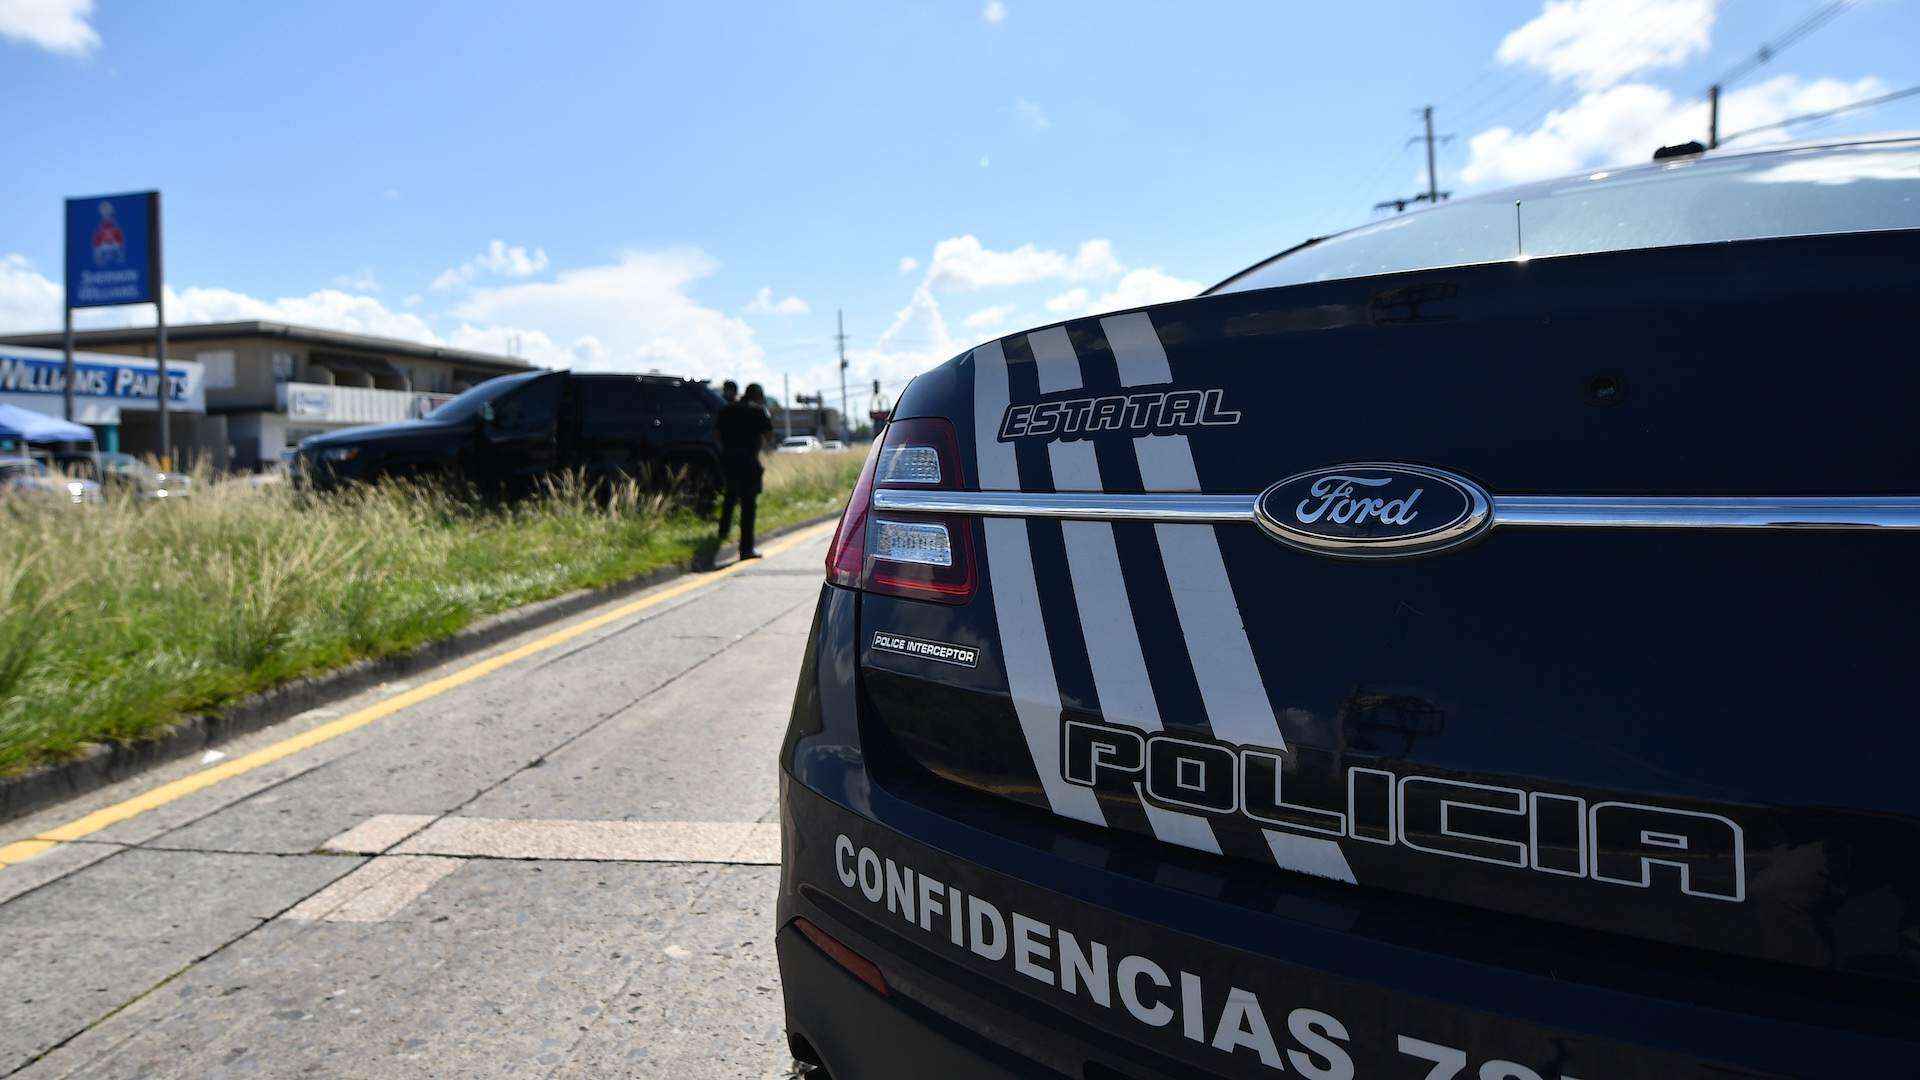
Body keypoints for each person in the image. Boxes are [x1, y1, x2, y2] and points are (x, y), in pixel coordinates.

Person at [715, 381, 774, 559]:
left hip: (728, 460)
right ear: (758, 396)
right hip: (749, 463)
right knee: (748, 507)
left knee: (730, 497)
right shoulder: (759, 411)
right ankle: (746, 549)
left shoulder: (727, 409)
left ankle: (722, 533)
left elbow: (716, 434)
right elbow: (769, 437)